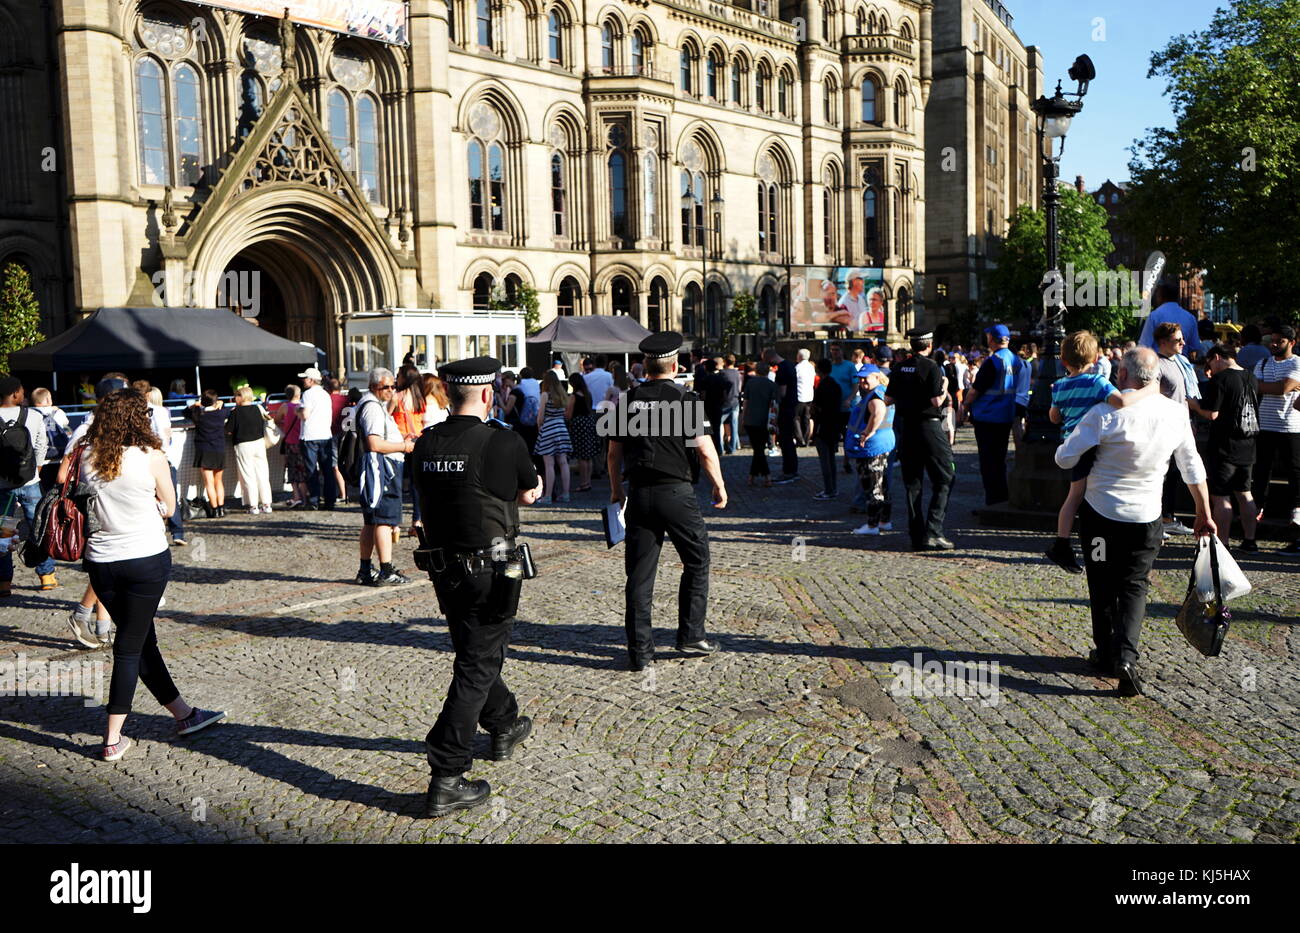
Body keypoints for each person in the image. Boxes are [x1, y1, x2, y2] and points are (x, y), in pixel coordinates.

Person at [412, 356, 543, 817]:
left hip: (445, 569)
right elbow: (528, 493)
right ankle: (447, 773)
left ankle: (504, 722)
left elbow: (424, 502)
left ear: (447, 394)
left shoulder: (425, 444)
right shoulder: (501, 442)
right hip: (494, 566)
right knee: (474, 665)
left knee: (474, 652)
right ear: (488, 394)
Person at [75, 387, 225, 760]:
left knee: (142, 641)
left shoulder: (88, 455)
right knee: (129, 648)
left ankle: (185, 714)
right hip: (143, 558)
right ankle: (112, 737)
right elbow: (170, 507)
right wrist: (150, 504)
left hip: (102, 562)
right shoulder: (151, 455)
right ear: (138, 417)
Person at [1055, 347, 1214, 696]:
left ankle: (1105, 652)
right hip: (1146, 518)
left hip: (1101, 517)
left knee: (1101, 581)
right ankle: (1126, 656)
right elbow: (1191, 466)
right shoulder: (1175, 414)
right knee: (1134, 585)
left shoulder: (1103, 414)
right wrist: (1204, 512)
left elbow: (1064, 459)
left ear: (1122, 375)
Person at [608, 332, 726, 671]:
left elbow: (613, 454)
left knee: (640, 575)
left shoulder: (625, 401)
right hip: (676, 493)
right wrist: (719, 486)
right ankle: (690, 636)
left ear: (645, 366)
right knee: (697, 560)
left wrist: (617, 491)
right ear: (675, 365)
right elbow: (704, 450)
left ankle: (640, 652)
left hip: (641, 493)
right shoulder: (687, 400)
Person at [1044, 331, 1158, 573]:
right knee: (1080, 497)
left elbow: (1054, 417)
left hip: (1071, 444)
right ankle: (1063, 545)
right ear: (1096, 358)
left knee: (1074, 495)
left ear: (1063, 361)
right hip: (1092, 446)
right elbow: (1122, 402)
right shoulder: (1097, 383)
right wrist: (1150, 391)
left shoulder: (1060, 385)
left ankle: (1063, 541)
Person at [887, 328, 954, 551]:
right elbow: (936, 401)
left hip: (907, 429)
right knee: (945, 477)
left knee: (912, 484)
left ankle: (916, 535)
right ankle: (934, 532)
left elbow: (888, 399)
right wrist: (944, 388)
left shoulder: (899, 367)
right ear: (929, 345)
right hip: (929, 427)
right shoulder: (932, 367)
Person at [1197, 345, 1260, 551]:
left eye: (1209, 363)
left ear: (1217, 357)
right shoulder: (1251, 377)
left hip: (1224, 445)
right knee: (1245, 493)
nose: (1210, 368)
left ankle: (1222, 544)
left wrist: (1191, 403)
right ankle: (1250, 540)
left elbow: (1211, 413)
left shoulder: (1221, 379)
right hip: (1248, 444)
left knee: (1221, 496)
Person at [354, 368, 414, 585]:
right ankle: (386, 569)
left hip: (379, 467)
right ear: (373, 387)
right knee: (383, 521)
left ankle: (364, 569)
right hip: (382, 469)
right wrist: (404, 446)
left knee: (372, 521)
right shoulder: (371, 408)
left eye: (392, 386)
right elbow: (374, 443)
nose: (390, 390)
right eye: (385, 387)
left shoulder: (373, 405)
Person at [0, 375, 58, 594]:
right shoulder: (32, 416)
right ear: (15, 393)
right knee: (39, 528)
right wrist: (37, 469)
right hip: (30, 481)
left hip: (2, 485)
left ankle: (4, 583)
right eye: (22, 390)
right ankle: (47, 576)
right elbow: (41, 445)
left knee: (3, 532)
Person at [961, 324, 1025, 507]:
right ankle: (1001, 496)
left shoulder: (993, 361)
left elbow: (976, 390)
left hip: (987, 416)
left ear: (991, 339)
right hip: (1005, 415)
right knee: (999, 459)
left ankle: (993, 500)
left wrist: (965, 406)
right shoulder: (1015, 359)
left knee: (988, 462)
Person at [1250, 324, 1300, 553]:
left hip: (1291, 428)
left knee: (1294, 475)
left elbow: (1283, 388)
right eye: (1272, 340)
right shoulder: (1264, 363)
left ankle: (1295, 522)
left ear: (1291, 343)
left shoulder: (1297, 363)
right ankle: (1254, 520)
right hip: (1265, 426)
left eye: (1279, 341)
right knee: (1261, 473)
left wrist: (1269, 387)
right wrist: (1275, 387)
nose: (1273, 344)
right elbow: (1253, 387)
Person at [1154, 322, 1205, 537]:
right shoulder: (1157, 364)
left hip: (1180, 426)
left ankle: (1168, 517)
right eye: (1178, 340)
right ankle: (1157, 521)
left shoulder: (1180, 362)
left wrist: (1189, 421)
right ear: (1163, 342)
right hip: (1162, 427)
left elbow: (1183, 397)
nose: (1184, 343)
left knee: (1176, 475)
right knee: (1160, 476)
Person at [846, 366, 895, 535]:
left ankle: (872, 526)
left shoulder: (875, 396)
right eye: (859, 378)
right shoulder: (883, 391)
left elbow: (878, 412)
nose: (861, 381)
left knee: (873, 487)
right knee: (883, 485)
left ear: (876, 377)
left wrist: (868, 432)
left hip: (871, 447)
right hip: (882, 444)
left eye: (865, 378)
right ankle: (884, 521)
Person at [144, 387, 185, 545]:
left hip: (151, 457)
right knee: (170, 496)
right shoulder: (163, 412)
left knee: (152, 497)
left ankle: (160, 533)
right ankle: (177, 533)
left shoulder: (153, 412)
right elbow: (166, 437)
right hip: (164, 458)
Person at [226, 385, 273, 514]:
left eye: (236, 395)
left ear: (241, 397)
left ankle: (253, 506)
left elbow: (228, 431)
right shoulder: (258, 408)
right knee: (263, 474)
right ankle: (267, 504)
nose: (234, 398)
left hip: (243, 446)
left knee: (248, 476)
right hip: (259, 443)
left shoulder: (235, 412)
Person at [185, 388, 228, 518]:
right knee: (218, 482)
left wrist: (195, 405)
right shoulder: (221, 414)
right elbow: (227, 410)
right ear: (215, 401)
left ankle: (214, 510)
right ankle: (221, 508)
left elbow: (185, 412)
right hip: (219, 449)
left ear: (202, 402)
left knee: (209, 482)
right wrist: (221, 403)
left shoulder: (199, 415)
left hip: (204, 450)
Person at [297, 367, 336, 511]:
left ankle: (314, 500)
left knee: (311, 469)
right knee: (328, 470)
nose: (303, 380)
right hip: (325, 434)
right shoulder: (326, 394)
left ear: (311, 380)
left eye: (305, 378)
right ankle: (330, 500)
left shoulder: (307, 394)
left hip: (310, 436)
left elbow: (305, 414)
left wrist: (297, 410)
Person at [534, 370, 573, 503]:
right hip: (561, 428)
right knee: (563, 462)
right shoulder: (562, 394)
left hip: (548, 428)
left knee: (549, 464)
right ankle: (566, 494)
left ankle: (548, 495)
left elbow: (540, 417)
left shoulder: (545, 395)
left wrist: (540, 429)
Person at [1139, 280, 1202, 358]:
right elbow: (1195, 347)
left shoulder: (1155, 316)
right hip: (1181, 365)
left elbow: (1144, 345)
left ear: (1161, 296)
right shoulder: (1190, 317)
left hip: (1159, 363)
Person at [764, 347, 799, 482]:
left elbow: (782, 392)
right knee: (787, 440)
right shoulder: (790, 365)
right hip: (791, 406)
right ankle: (791, 469)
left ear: (769, 357)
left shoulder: (782, 369)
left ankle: (789, 471)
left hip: (785, 408)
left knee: (785, 440)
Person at [811, 357, 843, 499]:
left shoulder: (822, 386)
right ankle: (833, 488)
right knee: (831, 459)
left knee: (825, 460)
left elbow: (816, 407)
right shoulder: (836, 385)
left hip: (823, 425)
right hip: (834, 424)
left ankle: (829, 489)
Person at [742, 361, 777, 485]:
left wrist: (743, 418)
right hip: (765, 421)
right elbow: (774, 405)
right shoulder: (772, 385)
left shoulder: (750, 383)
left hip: (751, 420)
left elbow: (745, 403)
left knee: (758, 449)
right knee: (759, 449)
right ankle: (765, 476)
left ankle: (754, 477)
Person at [29, 387, 71, 491]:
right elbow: (66, 423)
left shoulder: (29, 413)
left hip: (39, 461)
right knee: (57, 492)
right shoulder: (57, 413)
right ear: (48, 400)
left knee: (43, 491)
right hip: (58, 458)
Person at [275, 384, 310, 509]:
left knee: (292, 470)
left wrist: (284, 424)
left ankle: (296, 496)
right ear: (299, 395)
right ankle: (306, 498)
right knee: (303, 471)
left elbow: (276, 420)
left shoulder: (284, 407)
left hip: (290, 442)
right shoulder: (303, 406)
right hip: (303, 441)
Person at [567, 372, 599, 492]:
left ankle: (583, 483)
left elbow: (569, 414)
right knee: (588, 456)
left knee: (581, 456)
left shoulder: (574, 396)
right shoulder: (588, 394)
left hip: (579, 425)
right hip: (589, 423)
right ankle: (588, 482)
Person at [717, 355, 743, 454]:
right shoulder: (738, 373)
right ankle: (733, 447)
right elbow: (740, 388)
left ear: (725, 362)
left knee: (720, 425)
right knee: (734, 425)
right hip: (735, 401)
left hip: (724, 402)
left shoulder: (722, 373)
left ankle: (720, 448)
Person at [793, 348, 815, 446]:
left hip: (799, 395)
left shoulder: (798, 367)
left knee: (796, 418)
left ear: (800, 356)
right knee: (806, 418)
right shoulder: (811, 367)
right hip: (809, 395)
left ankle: (799, 438)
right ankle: (806, 440)